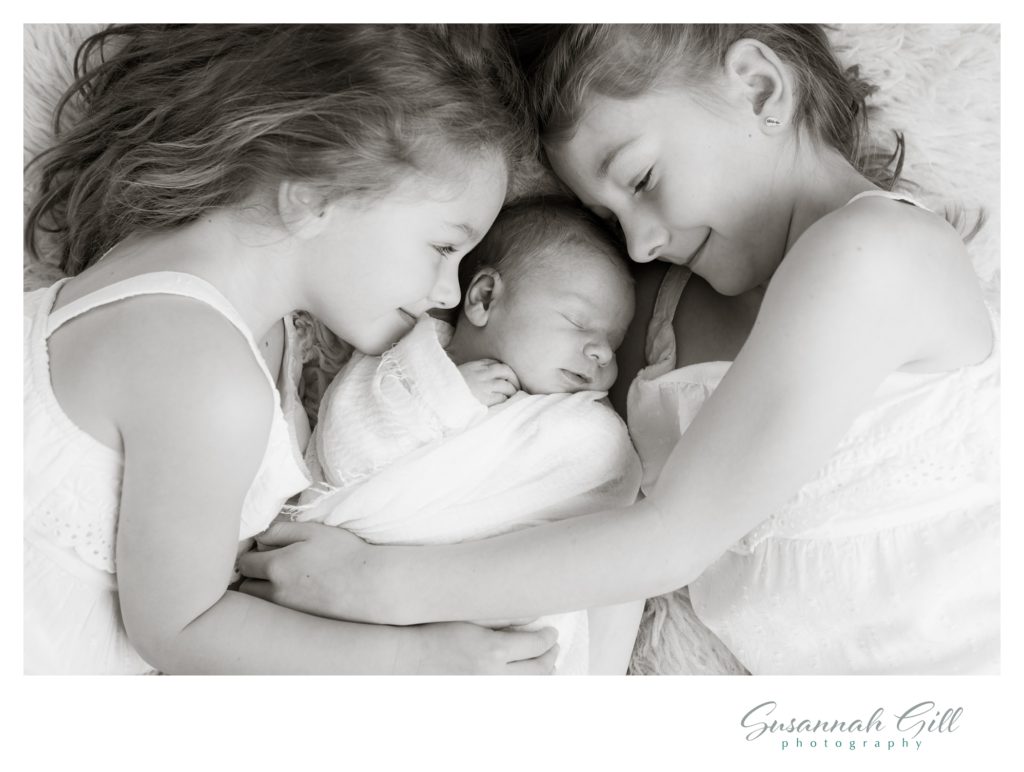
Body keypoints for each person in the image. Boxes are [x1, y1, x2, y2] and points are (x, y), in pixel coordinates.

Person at [239, 24, 999, 675]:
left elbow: (670, 538)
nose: (637, 240)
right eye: (604, 211)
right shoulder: (652, 311)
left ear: (761, 90)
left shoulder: (875, 250)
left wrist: (373, 583)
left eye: (641, 178)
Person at [23, 23, 562, 674]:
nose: (449, 293)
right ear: (314, 197)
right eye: (444, 247)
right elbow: (178, 627)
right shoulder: (202, 372)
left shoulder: (237, 316)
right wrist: (420, 660)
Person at [288, 199, 644, 674]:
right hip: (361, 604)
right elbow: (347, 448)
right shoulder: (409, 367)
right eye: (579, 322)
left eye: (614, 343)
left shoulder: (574, 423)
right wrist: (447, 394)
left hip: (507, 626)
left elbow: (605, 510)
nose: (601, 352)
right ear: (484, 298)